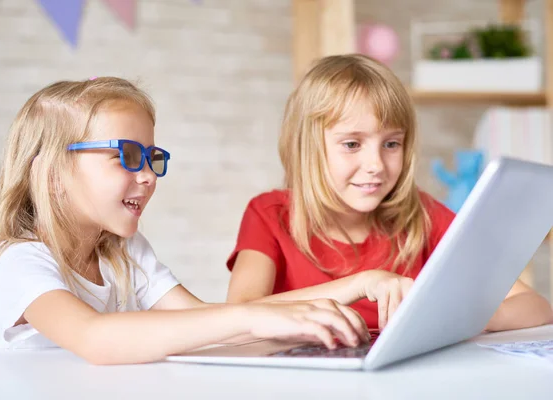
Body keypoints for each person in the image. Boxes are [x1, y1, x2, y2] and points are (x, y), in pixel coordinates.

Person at [0, 77, 370, 365]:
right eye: (126, 156)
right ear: (52, 173)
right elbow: (94, 339)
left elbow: (206, 323)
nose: (147, 175)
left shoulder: (125, 254)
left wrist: (354, 287)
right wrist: (253, 315)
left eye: (151, 158)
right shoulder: (20, 263)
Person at [226, 54, 553, 332]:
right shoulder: (269, 215)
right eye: (352, 144)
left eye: (391, 144)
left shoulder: (422, 215)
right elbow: (238, 315)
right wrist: (360, 284)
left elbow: (534, 307)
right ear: (306, 147)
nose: (376, 165)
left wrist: (447, 320)